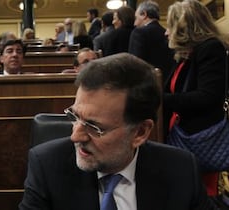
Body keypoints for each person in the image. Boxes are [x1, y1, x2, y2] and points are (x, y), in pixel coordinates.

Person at [19, 53, 215, 210]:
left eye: (95, 127)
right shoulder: (46, 166)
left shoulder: (181, 169)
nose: (75, 136)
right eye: (75, 117)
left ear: (140, 132)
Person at [163, 0, 227, 197]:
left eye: (170, 25)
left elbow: (208, 97)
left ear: (184, 25)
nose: (166, 32)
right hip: (185, 132)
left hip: (201, 135)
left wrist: (161, 99)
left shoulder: (210, 48)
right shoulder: (186, 54)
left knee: (200, 194)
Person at [128, 0, 173, 83]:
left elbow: (135, 64)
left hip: (147, 84)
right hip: (166, 83)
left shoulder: (139, 32)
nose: (134, 23)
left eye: (136, 18)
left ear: (144, 14)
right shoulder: (166, 32)